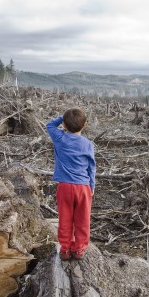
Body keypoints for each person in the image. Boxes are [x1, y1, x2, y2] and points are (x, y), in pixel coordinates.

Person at [46, 108, 96, 260]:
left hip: (65, 187)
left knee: (65, 219)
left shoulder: (59, 138)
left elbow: (49, 125)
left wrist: (63, 118)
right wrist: (92, 187)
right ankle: (79, 249)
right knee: (83, 220)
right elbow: (91, 168)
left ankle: (65, 249)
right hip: (83, 187)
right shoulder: (87, 144)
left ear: (65, 126)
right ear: (85, 125)